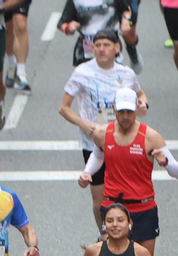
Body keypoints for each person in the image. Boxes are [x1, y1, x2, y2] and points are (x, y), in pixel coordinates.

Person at [79, 89, 178, 256]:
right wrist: (87, 172)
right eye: (121, 111)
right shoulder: (102, 134)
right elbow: (97, 155)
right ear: (114, 108)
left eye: (130, 112)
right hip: (113, 206)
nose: (125, 116)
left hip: (143, 208)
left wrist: (166, 163)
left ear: (137, 109)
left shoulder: (151, 137)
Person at [58, 29, 143, 226]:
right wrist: (85, 125)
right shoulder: (82, 72)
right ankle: (104, 233)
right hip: (93, 142)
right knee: (100, 200)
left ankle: (124, 232)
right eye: (97, 46)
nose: (101, 49)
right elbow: (63, 108)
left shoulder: (126, 74)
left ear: (117, 48)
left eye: (106, 45)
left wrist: (142, 104)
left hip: (123, 142)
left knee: (124, 194)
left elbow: (141, 95)